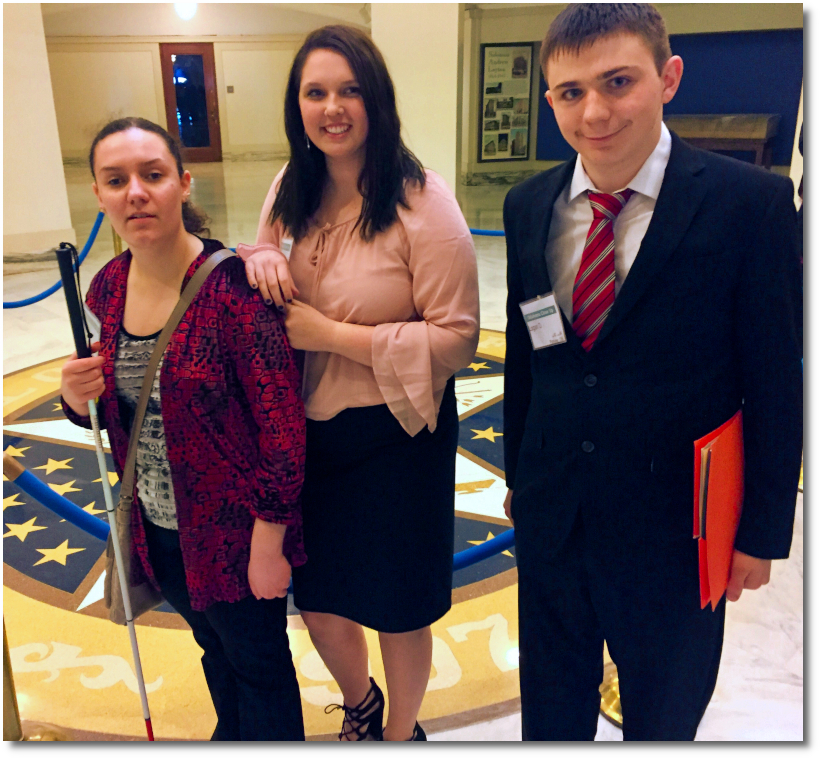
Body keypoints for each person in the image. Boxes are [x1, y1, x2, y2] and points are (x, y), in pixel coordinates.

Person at [502, 4, 802, 741]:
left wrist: (762, 532)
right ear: (550, 101)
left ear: (668, 78)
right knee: (551, 712)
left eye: (617, 81)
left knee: (664, 716)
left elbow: (775, 379)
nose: (594, 110)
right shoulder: (529, 204)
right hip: (555, 516)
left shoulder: (750, 205)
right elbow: (526, 354)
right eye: (571, 92)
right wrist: (518, 477)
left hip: (678, 529)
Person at [238, 25, 480, 741]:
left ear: (377, 99)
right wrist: (257, 257)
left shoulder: (423, 204)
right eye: (316, 92)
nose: (332, 107)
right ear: (297, 105)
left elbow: (458, 337)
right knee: (320, 600)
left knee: (400, 609)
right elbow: (263, 250)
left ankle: (403, 736)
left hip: (398, 435)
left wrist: (332, 336)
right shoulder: (292, 185)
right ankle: (362, 706)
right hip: (309, 436)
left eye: (349, 90)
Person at [60, 117, 307, 741]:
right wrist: (73, 396)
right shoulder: (109, 288)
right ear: (98, 195)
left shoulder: (233, 291)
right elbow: (109, 406)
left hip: (235, 536)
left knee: (260, 668)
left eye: (152, 175)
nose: (135, 193)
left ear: (183, 183)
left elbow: (281, 430)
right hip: (158, 530)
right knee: (214, 653)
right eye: (116, 181)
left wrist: (268, 541)